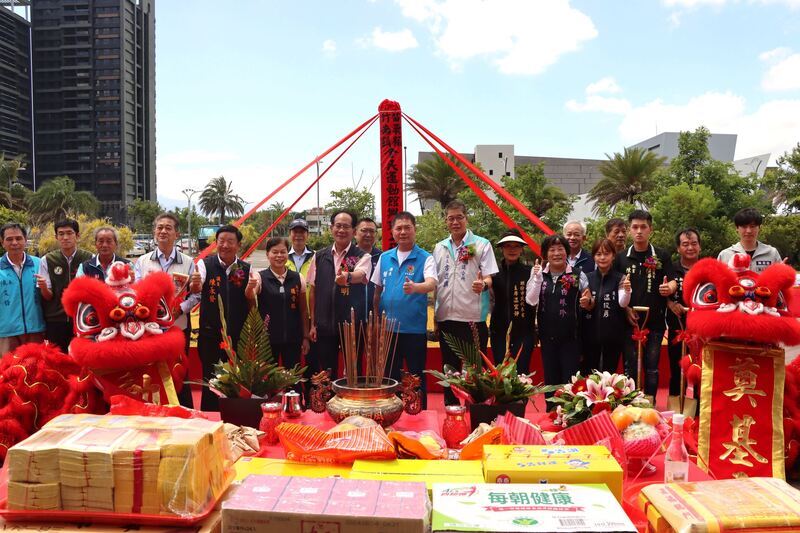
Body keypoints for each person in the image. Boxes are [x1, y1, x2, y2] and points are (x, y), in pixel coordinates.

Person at [433, 199, 499, 405]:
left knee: (474, 373)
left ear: (466, 218)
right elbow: (435, 283)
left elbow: (489, 277)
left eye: (459, 217)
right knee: (449, 372)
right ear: (446, 221)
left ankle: (476, 413)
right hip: (446, 318)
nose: (455, 222)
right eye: (450, 218)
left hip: (472, 319)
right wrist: (436, 317)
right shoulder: (439, 247)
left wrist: (484, 285)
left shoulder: (481, 244)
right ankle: (452, 413)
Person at [372, 211, 436, 408]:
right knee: (390, 377)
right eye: (398, 228)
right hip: (389, 330)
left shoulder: (426, 258)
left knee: (416, 377)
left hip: (413, 330)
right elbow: (377, 291)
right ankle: (393, 415)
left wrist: (416, 287)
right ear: (392, 232)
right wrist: (376, 320)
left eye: (407, 227)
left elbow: (431, 283)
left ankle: (420, 415)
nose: (403, 232)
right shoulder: (384, 258)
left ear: (415, 230)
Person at [136, 213, 199, 407]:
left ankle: (185, 410)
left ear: (176, 234)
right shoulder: (143, 261)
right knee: (151, 370)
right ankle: (154, 409)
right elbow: (136, 292)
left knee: (180, 369)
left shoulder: (188, 262)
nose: (163, 231)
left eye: (168, 228)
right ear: (154, 232)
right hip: (150, 328)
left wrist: (180, 309)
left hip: (178, 326)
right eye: (159, 227)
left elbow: (196, 295)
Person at [191, 225, 256, 410]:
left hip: (238, 337)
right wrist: (195, 284)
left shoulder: (246, 268)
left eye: (230, 241)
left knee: (237, 380)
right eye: (221, 241)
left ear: (238, 245)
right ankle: (210, 421)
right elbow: (197, 287)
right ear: (215, 243)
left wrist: (253, 288)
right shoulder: (205, 264)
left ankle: (235, 418)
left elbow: (252, 298)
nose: (225, 245)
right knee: (210, 380)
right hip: (210, 335)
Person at [614, 209, 676, 398]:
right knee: (630, 367)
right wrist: (626, 311)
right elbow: (617, 289)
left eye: (643, 227)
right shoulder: (621, 257)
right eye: (635, 227)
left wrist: (670, 289)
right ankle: (630, 403)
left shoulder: (662, 255)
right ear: (630, 230)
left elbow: (672, 280)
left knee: (652, 367)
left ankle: (650, 402)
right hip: (630, 322)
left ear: (651, 229)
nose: (639, 231)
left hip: (655, 322)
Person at [306, 210, 371, 379]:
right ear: (331, 228)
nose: (341, 230)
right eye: (338, 226)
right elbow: (313, 290)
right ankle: (328, 404)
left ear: (354, 231)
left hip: (352, 326)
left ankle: (352, 404)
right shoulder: (319, 256)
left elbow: (361, 274)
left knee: (353, 370)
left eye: (346, 227)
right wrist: (313, 324)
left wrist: (348, 277)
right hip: (324, 324)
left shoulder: (362, 256)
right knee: (327, 371)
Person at [526, 234, 589, 396]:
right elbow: (531, 301)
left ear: (567, 252)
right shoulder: (537, 274)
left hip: (571, 337)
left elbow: (589, 300)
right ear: (545, 254)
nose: (556, 253)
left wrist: (587, 301)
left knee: (570, 381)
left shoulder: (578, 275)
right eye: (552, 250)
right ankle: (550, 414)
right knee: (551, 380)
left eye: (560, 249)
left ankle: (569, 417)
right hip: (547, 337)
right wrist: (537, 278)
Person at [246, 237, 310, 394]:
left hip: (293, 339)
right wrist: (249, 288)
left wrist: (306, 337)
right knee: (268, 381)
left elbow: (303, 310)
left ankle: (295, 410)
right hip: (267, 341)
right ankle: (269, 412)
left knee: (292, 380)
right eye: (275, 252)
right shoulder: (260, 277)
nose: (279, 256)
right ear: (267, 254)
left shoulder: (297, 278)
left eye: (283, 252)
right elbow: (250, 296)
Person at [38, 219, 93, 352]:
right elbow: (47, 296)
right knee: (58, 359)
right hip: (56, 319)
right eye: (61, 234)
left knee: (81, 357)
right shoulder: (47, 260)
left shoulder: (89, 258)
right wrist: (44, 287)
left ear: (77, 236)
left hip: (82, 319)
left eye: (69, 233)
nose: (65, 237)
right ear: (56, 237)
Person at [580, 238, 631, 374]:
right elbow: (584, 303)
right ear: (593, 256)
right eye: (598, 254)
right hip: (589, 335)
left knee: (609, 375)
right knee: (589, 375)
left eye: (606, 254)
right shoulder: (586, 278)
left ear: (613, 256)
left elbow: (623, 303)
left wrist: (627, 291)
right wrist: (585, 302)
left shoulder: (620, 278)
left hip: (613, 335)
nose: (602, 257)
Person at [489, 230, 536, 374]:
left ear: (522, 249)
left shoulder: (530, 272)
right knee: (501, 376)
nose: (512, 249)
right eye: (508, 246)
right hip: (499, 332)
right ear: (501, 248)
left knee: (522, 375)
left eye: (516, 246)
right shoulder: (493, 274)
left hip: (524, 333)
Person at [666, 228, 701, 401]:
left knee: (700, 369)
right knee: (676, 367)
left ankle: (699, 411)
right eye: (685, 244)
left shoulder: (706, 269)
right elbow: (661, 294)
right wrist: (670, 303)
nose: (690, 248)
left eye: (694, 244)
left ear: (700, 247)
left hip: (701, 330)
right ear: (678, 248)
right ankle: (675, 408)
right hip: (677, 327)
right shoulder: (671, 269)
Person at [0, 223, 45, 355]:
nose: (14, 242)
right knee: (9, 372)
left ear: (25, 240)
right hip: (6, 332)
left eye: (18, 238)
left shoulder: (39, 264)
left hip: (35, 329)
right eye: (9, 239)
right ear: (2, 242)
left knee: (37, 370)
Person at [717, 208, 782, 273]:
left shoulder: (771, 253)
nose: (748, 231)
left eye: (752, 226)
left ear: (759, 228)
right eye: (744, 227)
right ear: (737, 228)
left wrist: (784, 274)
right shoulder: (725, 255)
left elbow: (782, 279)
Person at [356, 217, 382, 317]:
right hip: (352, 318)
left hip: (377, 317)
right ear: (355, 233)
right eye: (364, 230)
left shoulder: (382, 257)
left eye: (372, 231)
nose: (368, 234)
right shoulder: (349, 257)